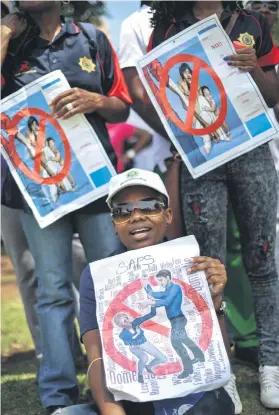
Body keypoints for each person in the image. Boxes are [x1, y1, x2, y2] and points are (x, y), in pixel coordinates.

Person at [147, 2, 279, 412]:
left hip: (252, 151)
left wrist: (253, 68)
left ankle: (272, 363)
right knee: (206, 267)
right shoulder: (167, 29)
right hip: (199, 160)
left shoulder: (254, 21)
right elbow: (157, 100)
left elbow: (272, 94)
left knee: (263, 259)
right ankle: (219, 370)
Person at [1, 1, 131, 412]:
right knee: (53, 290)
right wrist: (5, 33)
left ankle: (126, 380)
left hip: (94, 185)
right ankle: (59, 395)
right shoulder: (9, 45)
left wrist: (95, 102)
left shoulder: (93, 38)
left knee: (111, 283)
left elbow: (122, 105)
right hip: (35, 193)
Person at [60, 168, 234, 415]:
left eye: (150, 206)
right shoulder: (96, 276)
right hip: (135, 403)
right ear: (114, 224)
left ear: (168, 215)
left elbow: (220, 356)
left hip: (195, 399)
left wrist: (216, 300)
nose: (136, 216)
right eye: (123, 212)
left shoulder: (194, 264)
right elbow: (97, 359)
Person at [140, 269, 205, 378]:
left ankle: (188, 369)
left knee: (176, 343)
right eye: (159, 281)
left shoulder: (175, 288)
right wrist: (145, 281)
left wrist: (150, 302)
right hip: (175, 320)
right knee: (184, 339)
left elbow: (167, 302)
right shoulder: (166, 290)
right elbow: (152, 293)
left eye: (161, 280)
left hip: (178, 320)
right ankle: (200, 356)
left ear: (168, 278)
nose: (160, 283)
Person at [114, 307, 167, 384]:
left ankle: (149, 366)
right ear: (121, 326)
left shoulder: (135, 322)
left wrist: (153, 305)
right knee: (144, 358)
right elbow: (129, 342)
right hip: (134, 347)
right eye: (125, 322)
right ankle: (140, 374)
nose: (128, 321)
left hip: (144, 343)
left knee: (163, 359)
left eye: (127, 318)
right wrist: (138, 333)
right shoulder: (122, 335)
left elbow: (150, 315)